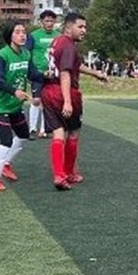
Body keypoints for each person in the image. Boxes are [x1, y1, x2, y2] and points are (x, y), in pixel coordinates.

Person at [42, 12, 108, 190]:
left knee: (57, 132)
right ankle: (68, 172)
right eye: (80, 27)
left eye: (85, 27)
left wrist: (96, 74)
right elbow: (65, 73)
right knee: (73, 132)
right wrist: (68, 101)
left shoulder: (57, 41)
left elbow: (75, 65)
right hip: (63, 91)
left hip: (48, 91)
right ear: (69, 28)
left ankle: (59, 175)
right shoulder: (69, 46)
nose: (84, 30)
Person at [0, 22, 48, 191]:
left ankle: (6, 164)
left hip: (13, 106)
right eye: (18, 32)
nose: (22, 35)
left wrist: (47, 76)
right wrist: (15, 92)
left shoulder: (26, 54)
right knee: (5, 141)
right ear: (9, 36)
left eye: (24, 32)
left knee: (23, 135)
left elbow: (33, 74)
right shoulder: (1, 56)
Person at [25, 10, 60, 139]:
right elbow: (27, 53)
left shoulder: (59, 36)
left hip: (53, 74)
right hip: (38, 74)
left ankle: (45, 129)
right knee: (36, 100)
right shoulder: (33, 36)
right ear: (41, 22)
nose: (49, 23)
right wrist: (32, 72)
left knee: (49, 101)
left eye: (52, 21)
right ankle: (32, 129)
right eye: (47, 21)